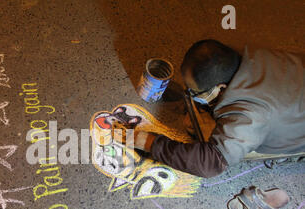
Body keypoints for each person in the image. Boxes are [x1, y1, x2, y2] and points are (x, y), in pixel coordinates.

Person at [114, 39, 305, 178]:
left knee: (209, 137)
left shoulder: (249, 118)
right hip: (293, 88)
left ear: (221, 88)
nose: (192, 95)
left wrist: (150, 143)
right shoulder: (252, 56)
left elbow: (209, 164)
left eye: (198, 92)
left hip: (297, 130)